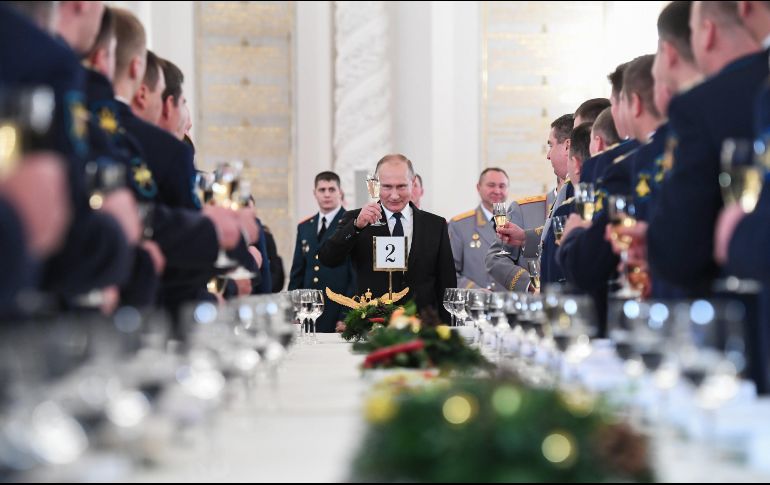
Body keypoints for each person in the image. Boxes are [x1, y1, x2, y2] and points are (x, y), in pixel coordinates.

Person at [319, 154, 456, 322]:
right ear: (376, 185)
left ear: (413, 184)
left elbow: (446, 282)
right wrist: (356, 226)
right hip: (372, 325)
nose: (394, 195)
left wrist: (447, 328)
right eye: (387, 187)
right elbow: (328, 258)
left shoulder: (435, 224)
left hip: (423, 327)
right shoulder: (356, 219)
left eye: (401, 186)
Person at [289, 172, 355, 332]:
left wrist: (348, 315)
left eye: (332, 189)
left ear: (340, 192)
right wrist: (291, 310)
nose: (327, 194)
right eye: (322, 190)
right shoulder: (304, 227)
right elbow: (298, 272)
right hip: (307, 312)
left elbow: (355, 276)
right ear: (315, 193)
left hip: (338, 309)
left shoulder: (352, 224)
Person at [448, 168, 509, 290]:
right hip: (476, 304)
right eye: (491, 185)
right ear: (478, 187)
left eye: (502, 186)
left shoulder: (517, 223)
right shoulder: (459, 225)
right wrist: (475, 291)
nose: (497, 191)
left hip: (511, 304)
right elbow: (449, 271)